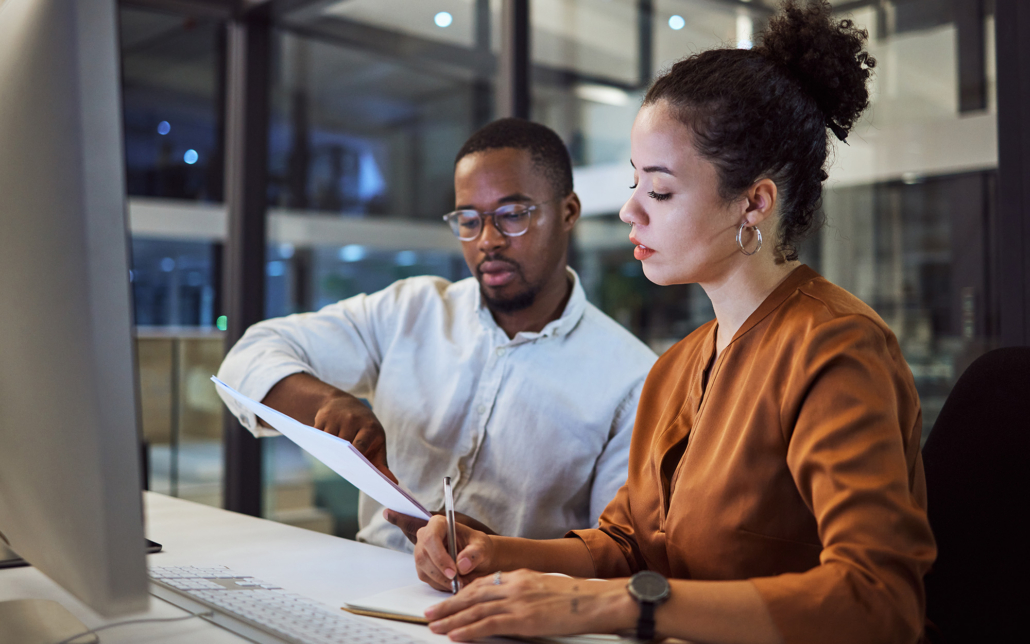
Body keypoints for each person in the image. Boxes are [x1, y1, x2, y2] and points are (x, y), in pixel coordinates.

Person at [411, 3, 937, 643]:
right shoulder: (678, 366)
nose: (631, 210)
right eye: (636, 184)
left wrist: (615, 608)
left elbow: (878, 602)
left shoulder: (835, 348)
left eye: (659, 191)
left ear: (754, 202)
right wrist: (497, 553)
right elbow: (627, 546)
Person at [216, 118, 657, 553]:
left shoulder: (632, 379)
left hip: (512, 604)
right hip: (368, 577)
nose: (488, 240)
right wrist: (326, 403)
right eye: (468, 219)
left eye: (512, 215)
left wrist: (497, 551)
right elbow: (247, 357)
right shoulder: (409, 310)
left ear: (568, 212)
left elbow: (616, 552)